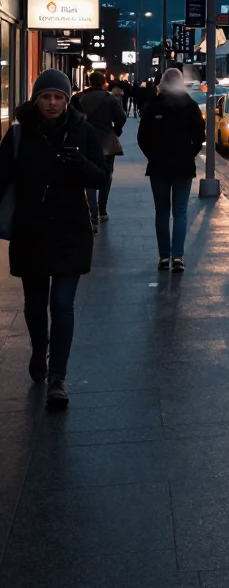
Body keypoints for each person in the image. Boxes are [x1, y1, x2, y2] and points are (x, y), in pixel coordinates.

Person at [0, 69, 105, 408]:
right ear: (36, 98)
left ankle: (58, 376)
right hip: (30, 231)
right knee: (34, 304)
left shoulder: (82, 131)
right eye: (46, 96)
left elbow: (101, 179)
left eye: (59, 97)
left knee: (62, 304)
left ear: (67, 99)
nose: (53, 103)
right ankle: (39, 352)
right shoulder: (18, 135)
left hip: (70, 231)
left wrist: (80, 164)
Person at [137, 67, 205, 272]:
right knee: (181, 212)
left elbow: (142, 138)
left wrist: (153, 155)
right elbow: (199, 137)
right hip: (183, 166)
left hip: (158, 166)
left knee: (162, 212)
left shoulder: (153, 106)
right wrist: (188, 154)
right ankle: (178, 256)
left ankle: (163, 257)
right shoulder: (191, 106)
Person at [72, 72, 126, 227]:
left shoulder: (78, 98)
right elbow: (121, 118)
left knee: (88, 174)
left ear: (89, 81)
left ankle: (92, 212)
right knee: (106, 176)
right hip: (107, 142)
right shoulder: (110, 99)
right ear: (103, 82)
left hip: (85, 142)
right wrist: (115, 130)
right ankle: (102, 210)